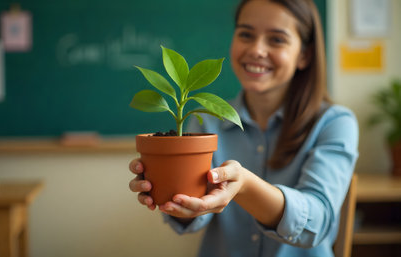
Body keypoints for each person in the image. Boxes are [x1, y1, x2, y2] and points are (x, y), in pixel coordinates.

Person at [128, 0, 359, 256]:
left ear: (304, 54)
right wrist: (172, 194)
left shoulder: (335, 122)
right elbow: (196, 212)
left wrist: (245, 186)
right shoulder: (208, 117)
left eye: (277, 40)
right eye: (246, 34)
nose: (257, 49)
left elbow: (318, 221)